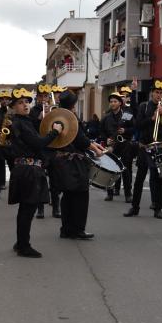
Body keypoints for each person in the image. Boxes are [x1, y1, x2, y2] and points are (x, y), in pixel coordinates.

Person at [8, 88, 62, 257]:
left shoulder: (24, 121)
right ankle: (24, 246)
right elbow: (38, 143)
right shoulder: (21, 123)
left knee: (25, 208)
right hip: (28, 170)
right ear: (14, 107)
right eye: (20, 103)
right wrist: (55, 131)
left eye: (26, 102)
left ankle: (20, 243)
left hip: (26, 169)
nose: (25, 105)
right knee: (27, 209)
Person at [50, 90, 104, 240]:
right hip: (74, 162)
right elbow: (80, 139)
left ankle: (66, 229)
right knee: (81, 194)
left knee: (68, 195)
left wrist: (94, 145)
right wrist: (95, 149)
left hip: (61, 160)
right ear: (73, 104)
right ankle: (78, 229)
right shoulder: (70, 118)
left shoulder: (56, 117)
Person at [124, 80, 162, 219]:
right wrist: (152, 118)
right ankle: (134, 207)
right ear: (152, 93)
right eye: (157, 92)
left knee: (160, 179)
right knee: (139, 179)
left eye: (161, 93)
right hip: (145, 148)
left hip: (160, 148)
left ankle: (158, 208)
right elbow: (138, 125)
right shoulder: (144, 106)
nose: (159, 95)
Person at [29, 85, 61, 219]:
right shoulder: (33, 111)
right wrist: (39, 118)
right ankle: (40, 208)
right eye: (41, 96)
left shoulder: (56, 110)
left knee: (55, 181)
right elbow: (30, 130)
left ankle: (56, 208)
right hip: (40, 149)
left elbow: (61, 126)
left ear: (49, 97)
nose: (43, 99)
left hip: (53, 148)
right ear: (37, 98)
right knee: (40, 181)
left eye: (46, 96)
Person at [101, 91, 136, 202]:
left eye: (115, 101)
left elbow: (134, 128)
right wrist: (105, 138)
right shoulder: (106, 117)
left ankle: (128, 194)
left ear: (120, 103)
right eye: (111, 102)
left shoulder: (126, 115)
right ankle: (110, 193)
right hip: (111, 146)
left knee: (125, 170)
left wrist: (125, 130)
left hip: (124, 145)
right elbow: (101, 131)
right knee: (110, 170)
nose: (112, 103)